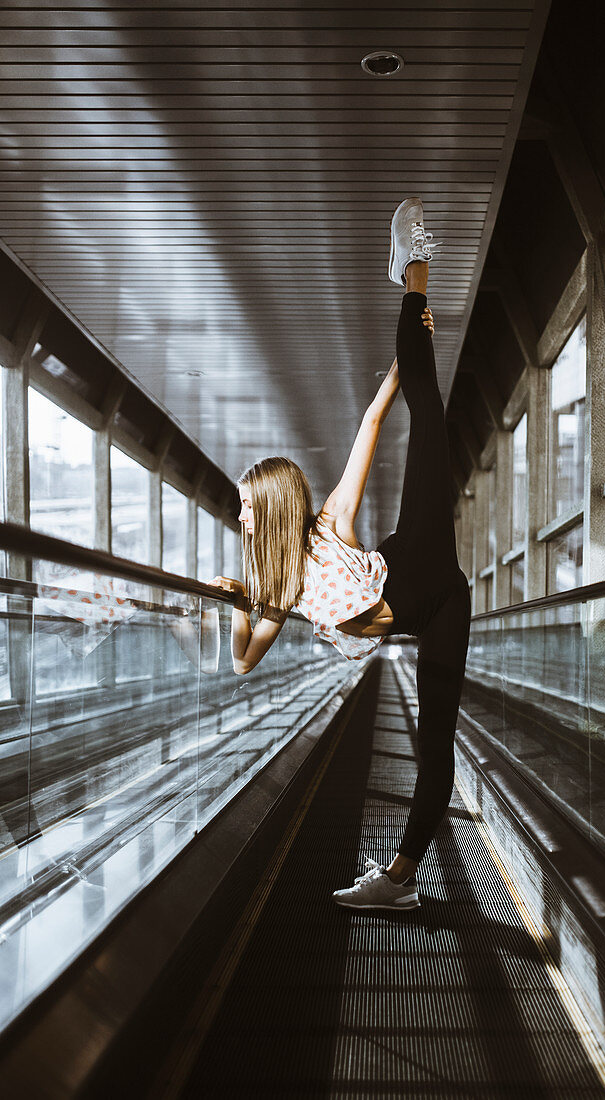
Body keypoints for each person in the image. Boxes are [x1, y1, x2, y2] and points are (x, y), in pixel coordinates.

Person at [211, 197, 471, 911]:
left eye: (246, 506)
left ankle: (411, 273)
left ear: (276, 509)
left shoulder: (329, 524)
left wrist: (402, 359)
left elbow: (370, 419)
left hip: (423, 564)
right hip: (427, 608)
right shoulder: (278, 589)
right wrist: (238, 607)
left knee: (428, 410)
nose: (239, 517)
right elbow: (243, 660)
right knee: (433, 751)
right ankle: (399, 883)